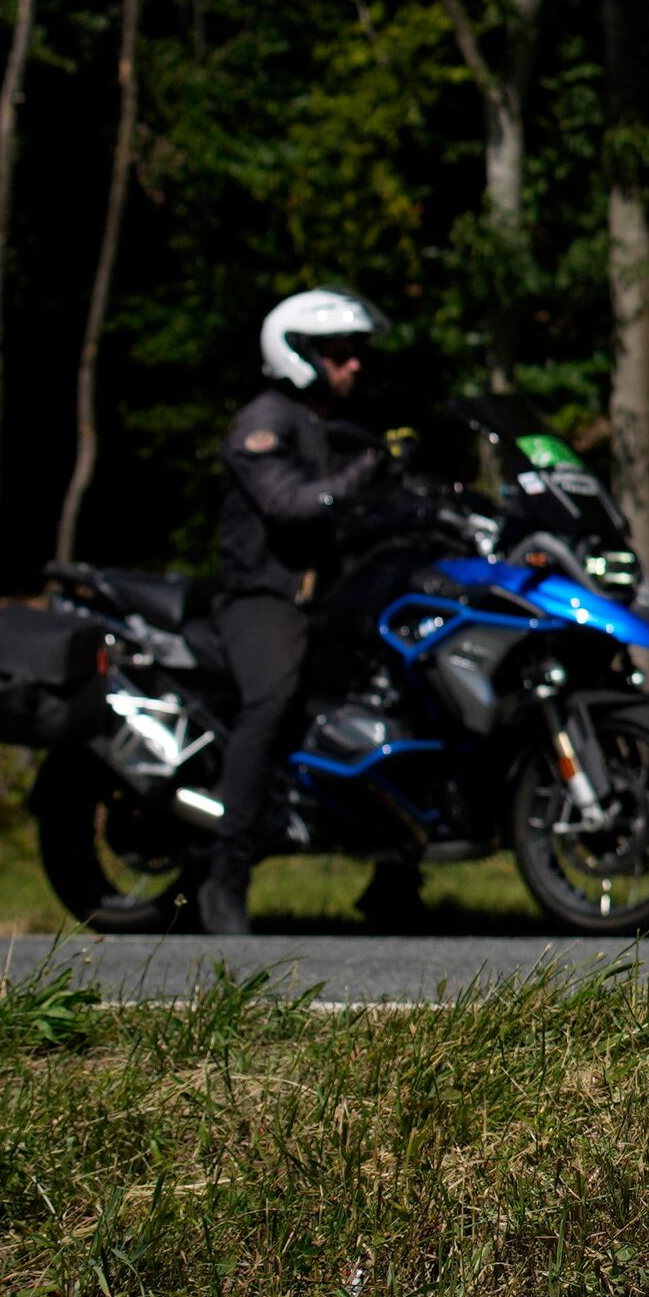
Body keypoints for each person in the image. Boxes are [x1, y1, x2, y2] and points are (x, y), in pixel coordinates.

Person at [201, 287, 396, 938]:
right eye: (339, 354)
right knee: (271, 699)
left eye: (354, 353)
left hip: (319, 600)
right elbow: (288, 502)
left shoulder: (325, 424)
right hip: (262, 596)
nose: (354, 366)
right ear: (298, 355)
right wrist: (359, 478)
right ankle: (225, 877)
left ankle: (396, 871)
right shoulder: (268, 417)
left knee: (387, 692)